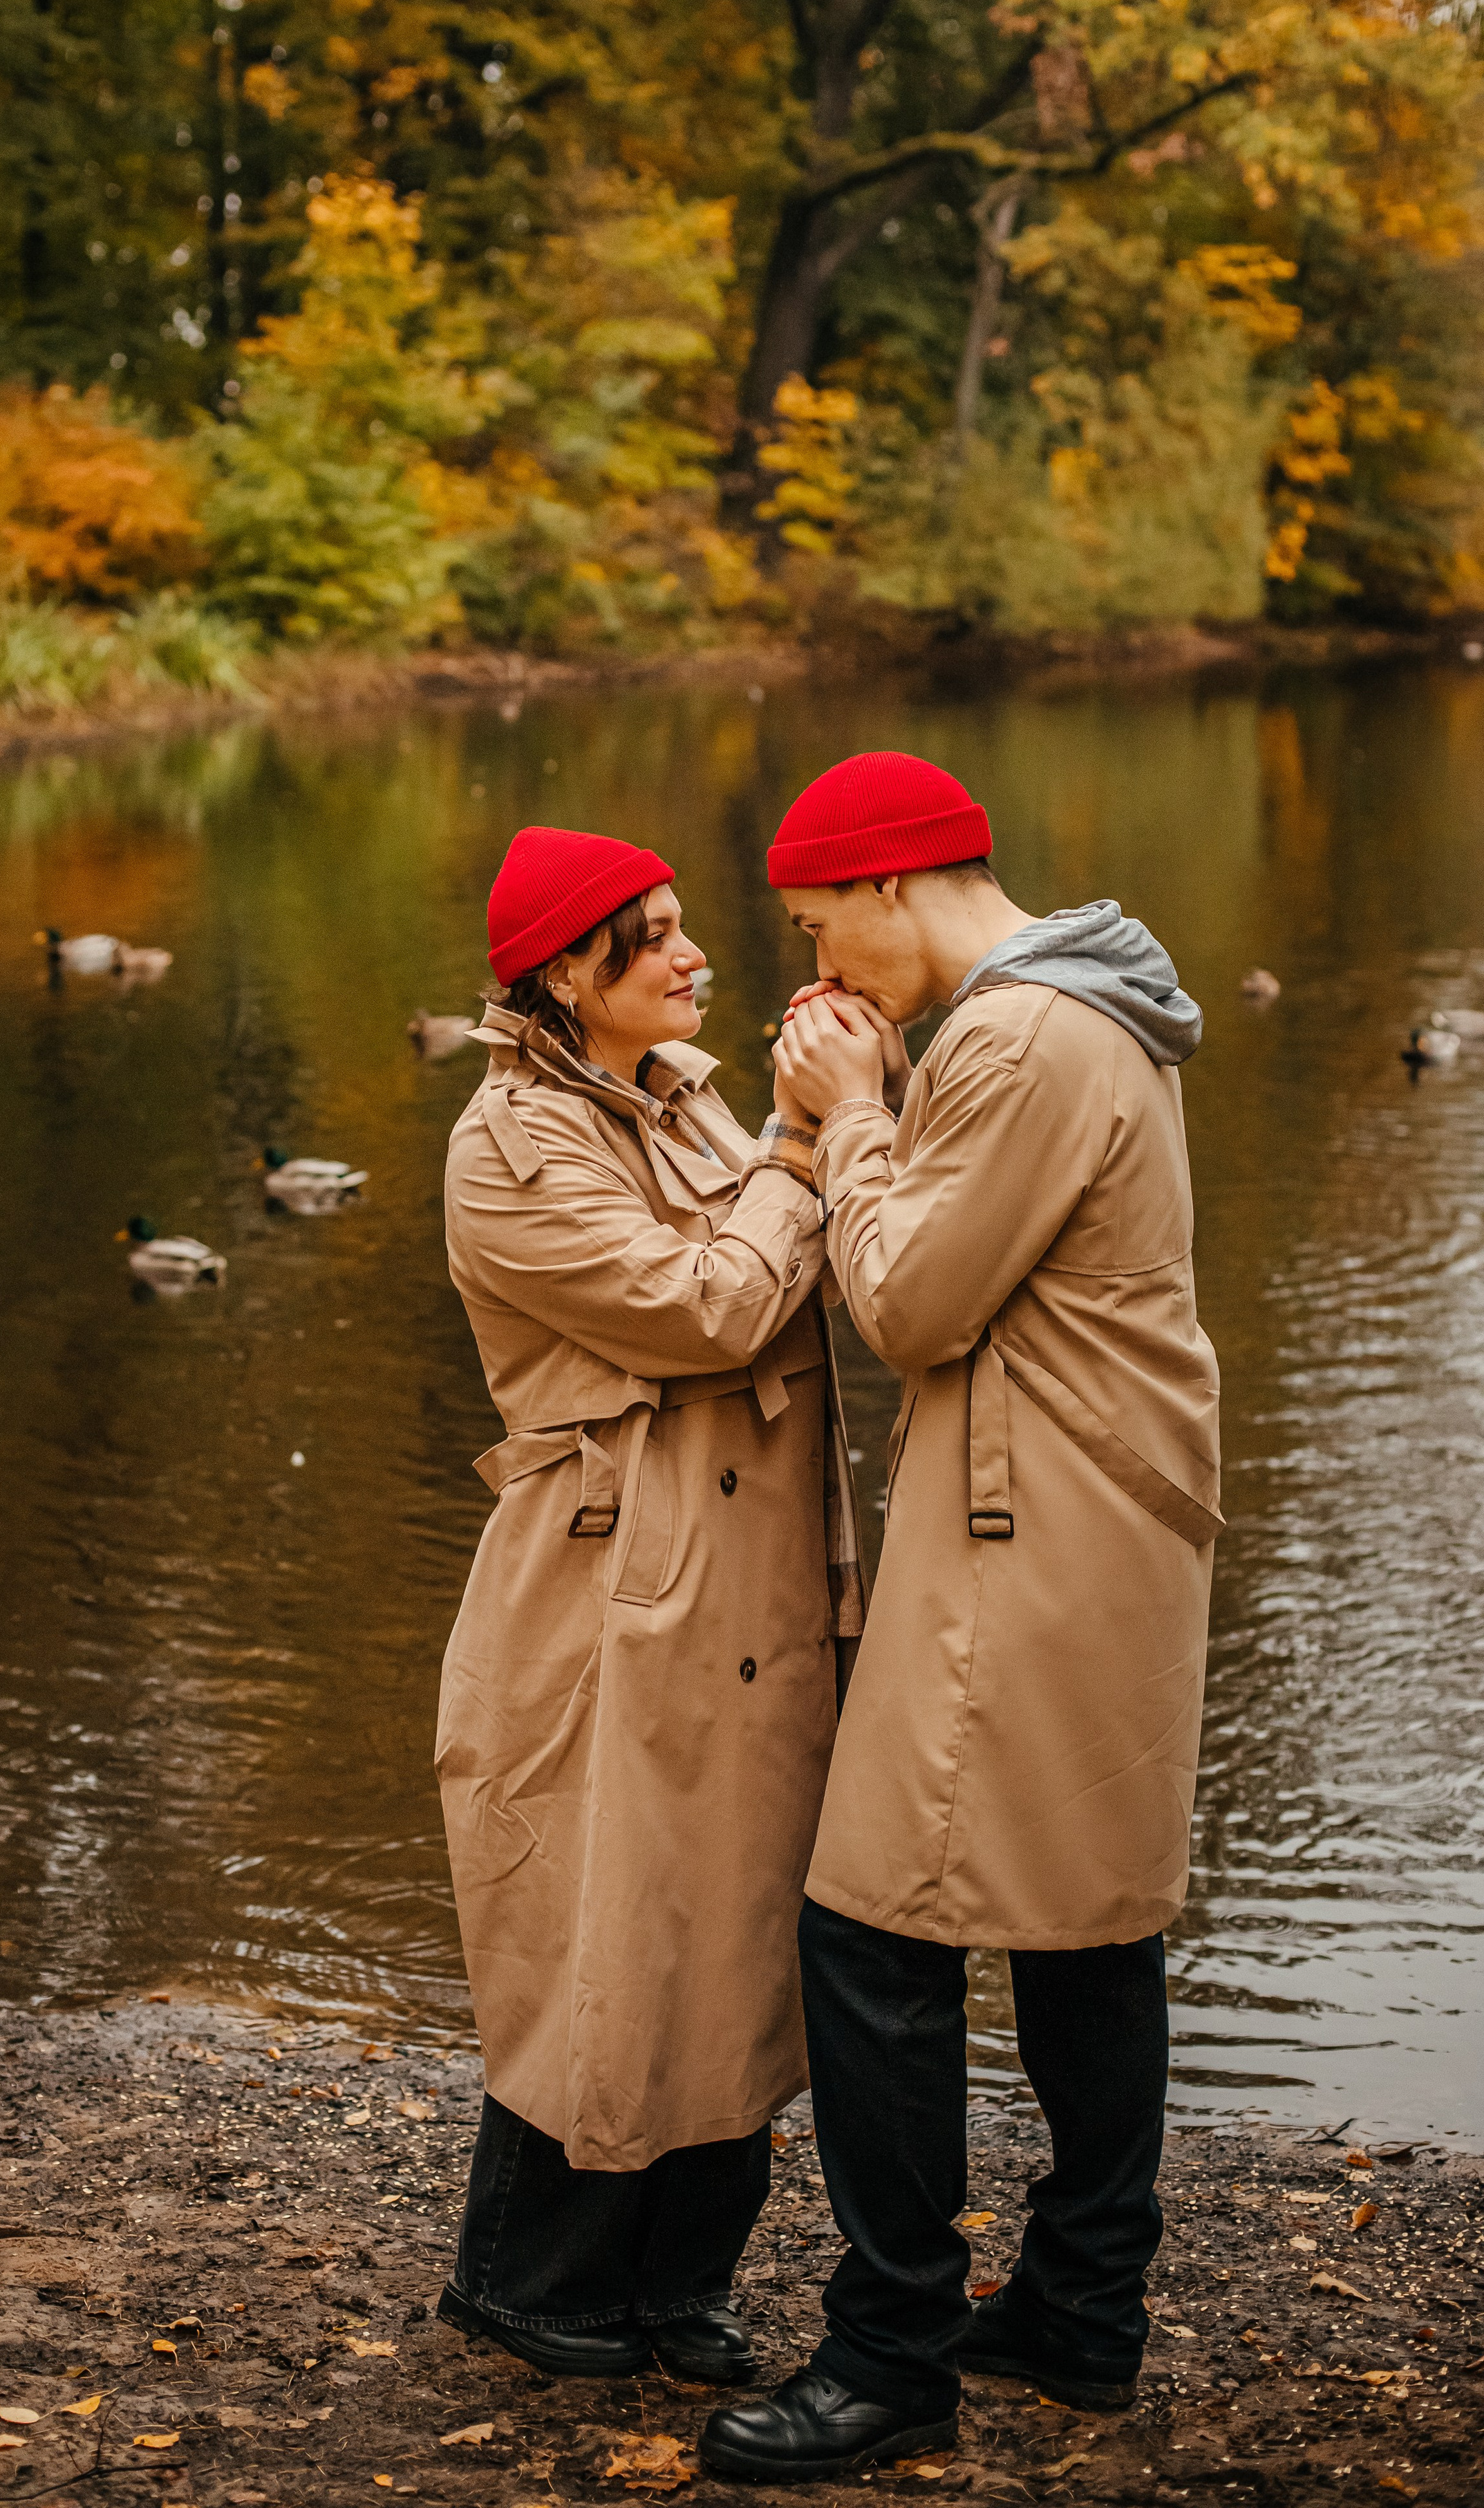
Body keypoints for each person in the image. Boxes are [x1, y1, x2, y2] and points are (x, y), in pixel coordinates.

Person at [702, 752, 1221, 2483]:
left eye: (818, 930)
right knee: (1082, 1931)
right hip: (1096, 1513)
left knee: (867, 1933)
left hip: (1027, 1526)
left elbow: (912, 1299)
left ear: (893, 881)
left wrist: (852, 1111)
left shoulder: (1013, 1035)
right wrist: (883, 1096)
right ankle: (1079, 2316)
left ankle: (891, 2351)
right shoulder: (1084, 1016)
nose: (820, 974)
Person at [433, 823, 869, 2388]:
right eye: (658, 935)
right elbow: (708, 1308)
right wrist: (808, 1156)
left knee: (737, 1931)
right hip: (612, 1581)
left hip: (753, 1584)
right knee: (601, 1923)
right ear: (567, 969)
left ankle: (676, 2282)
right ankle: (527, 2283)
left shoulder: (681, 1098)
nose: (695, 955)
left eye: (686, 929)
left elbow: (773, 1287)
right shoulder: (508, 1145)